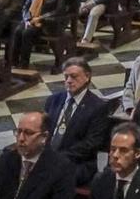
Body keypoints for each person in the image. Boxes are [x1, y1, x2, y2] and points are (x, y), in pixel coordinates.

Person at [43, 57, 114, 187]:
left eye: (74, 76)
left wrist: (59, 158)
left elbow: (92, 143)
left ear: (87, 77)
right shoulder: (53, 100)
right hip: (48, 157)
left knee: (50, 179)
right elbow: (44, 131)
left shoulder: (98, 107)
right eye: (66, 77)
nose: (69, 81)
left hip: (78, 162)